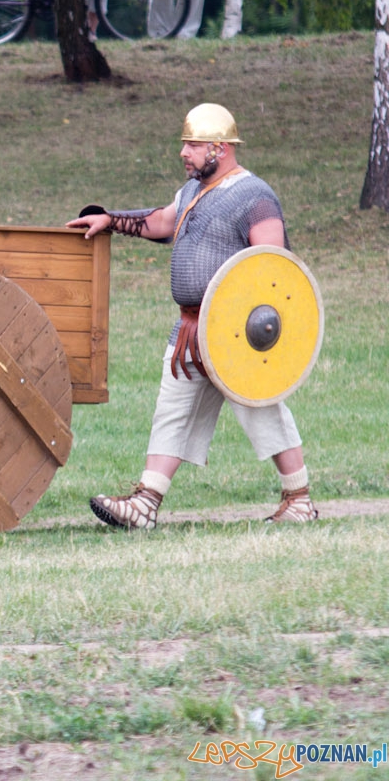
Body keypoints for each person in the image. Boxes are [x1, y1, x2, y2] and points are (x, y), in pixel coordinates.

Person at [67, 103, 318, 529]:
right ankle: (145, 503)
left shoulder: (254, 196)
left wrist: (249, 332)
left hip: (238, 333)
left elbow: (273, 269)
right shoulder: (191, 193)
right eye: (184, 143)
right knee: (173, 410)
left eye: (193, 144)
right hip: (190, 330)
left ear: (220, 148)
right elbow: (163, 221)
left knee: (262, 409)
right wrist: (110, 220)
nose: (184, 152)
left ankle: (299, 500)